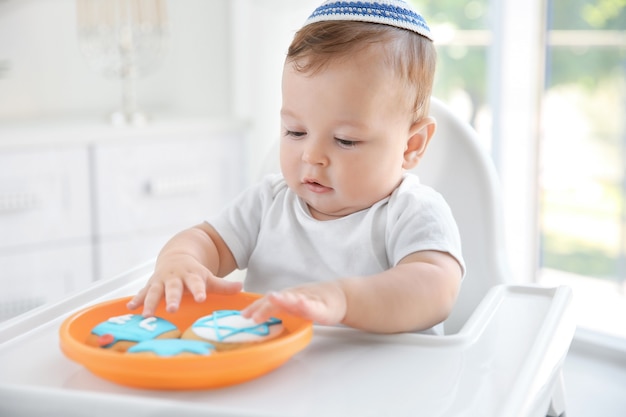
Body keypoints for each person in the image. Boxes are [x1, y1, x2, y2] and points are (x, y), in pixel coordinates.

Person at [127, 0, 465, 334]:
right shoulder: (268, 203)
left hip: (388, 383)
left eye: (345, 140)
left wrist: (344, 300)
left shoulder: (412, 212)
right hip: (277, 375)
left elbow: (435, 289)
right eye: (295, 132)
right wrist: (180, 260)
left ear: (411, 145)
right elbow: (208, 241)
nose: (312, 156)